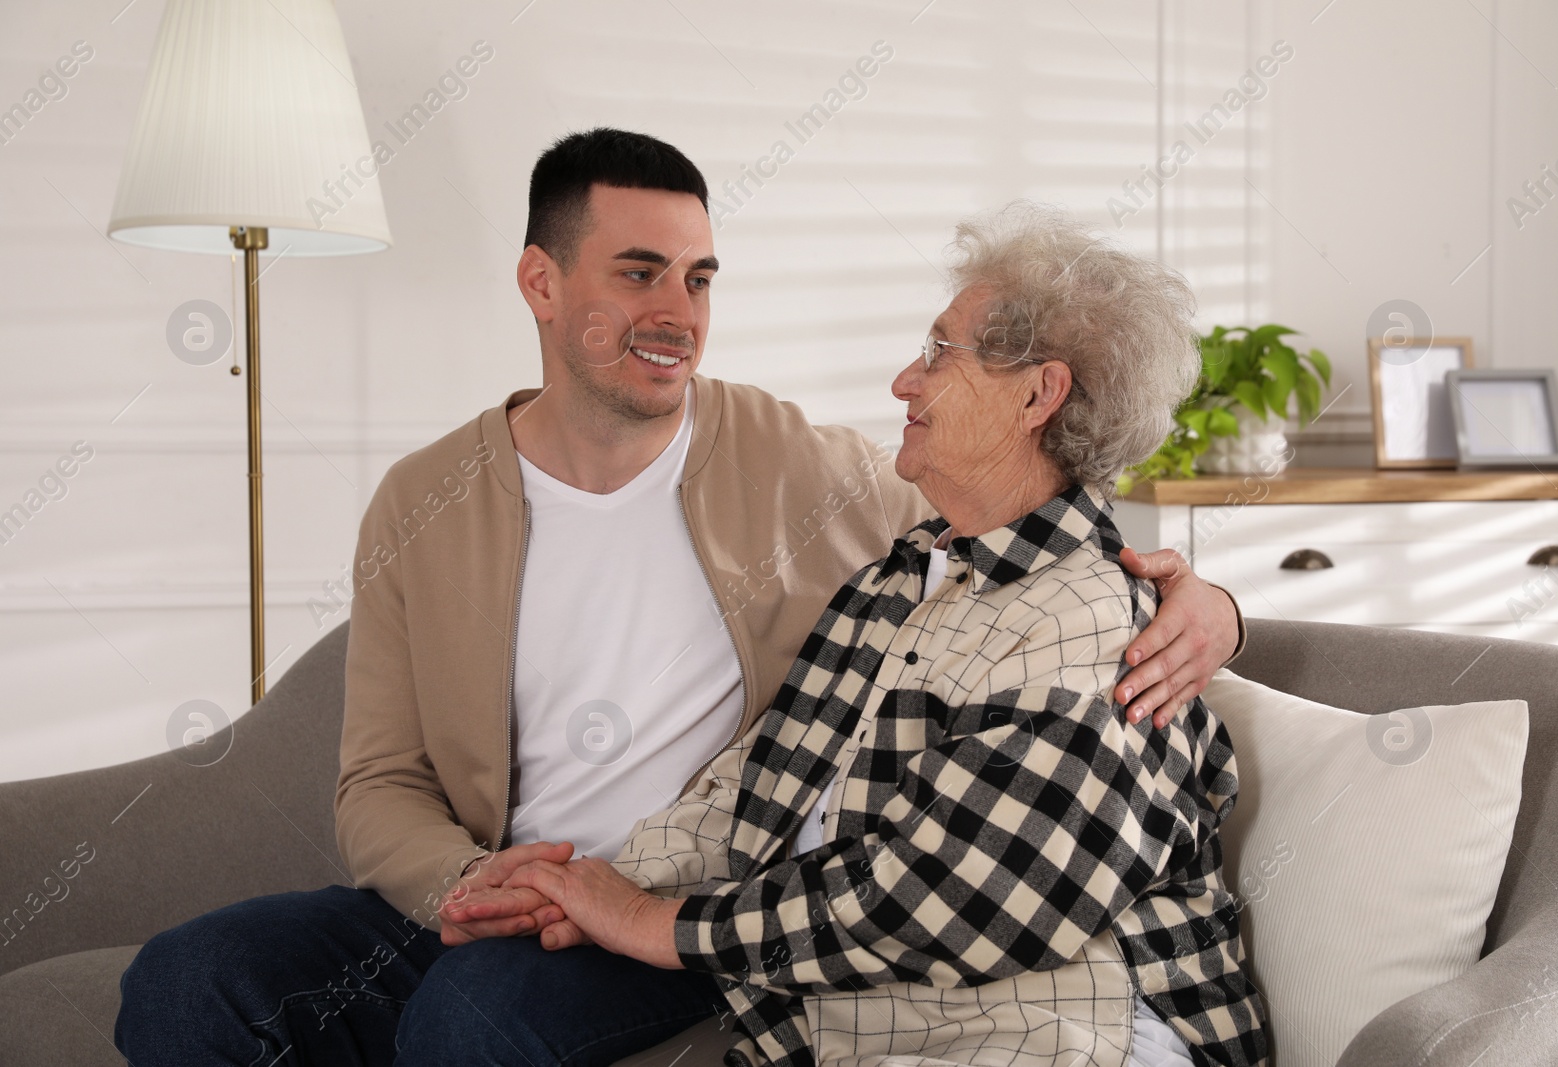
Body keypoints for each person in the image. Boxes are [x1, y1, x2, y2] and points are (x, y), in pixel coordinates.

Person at [115, 130, 1247, 1066]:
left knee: (473, 1022)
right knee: (189, 980)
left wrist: (1213, 608)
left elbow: (1046, 553)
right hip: (500, 889)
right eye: (639, 271)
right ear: (540, 283)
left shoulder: (807, 469)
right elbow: (379, 779)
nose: (679, 310)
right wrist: (474, 884)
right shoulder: (424, 500)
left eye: (699, 277)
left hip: (673, 909)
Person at [497, 202, 1269, 1067]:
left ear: (1037, 394)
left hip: (1080, 1033)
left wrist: (651, 920)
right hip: (897, 1027)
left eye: (941, 351)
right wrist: (568, 887)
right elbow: (753, 796)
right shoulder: (896, 582)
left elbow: (963, 893)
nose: (906, 380)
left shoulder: (1089, 618)